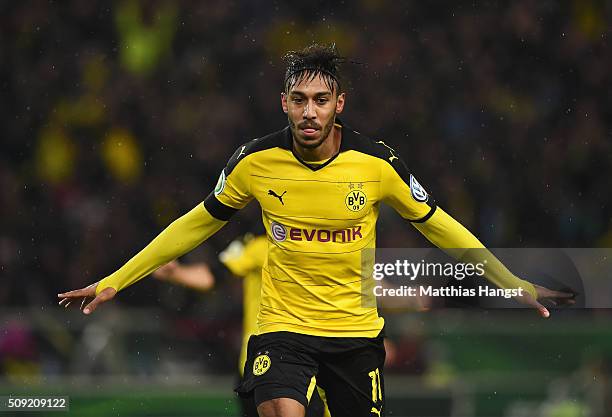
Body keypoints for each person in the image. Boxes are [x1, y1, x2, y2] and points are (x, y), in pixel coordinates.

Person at [58, 43, 574, 417]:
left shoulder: (377, 164)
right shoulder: (255, 162)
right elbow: (193, 226)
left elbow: (443, 228)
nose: (310, 112)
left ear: (339, 105)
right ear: (283, 102)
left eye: (321, 101)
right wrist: (117, 279)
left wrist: (512, 281)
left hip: (354, 338)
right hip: (282, 332)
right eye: (299, 100)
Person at [152, 236, 329, 417]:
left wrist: (174, 272)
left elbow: (211, 277)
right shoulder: (262, 243)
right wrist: (174, 272)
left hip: (269, 361)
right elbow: (212, 276)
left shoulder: (260, 243)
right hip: (294, 359)